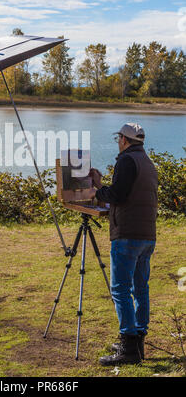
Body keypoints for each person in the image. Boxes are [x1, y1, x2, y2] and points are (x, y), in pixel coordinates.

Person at [88, 123, 158, 366]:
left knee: (120, 289)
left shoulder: (127, 161)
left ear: (125, 140)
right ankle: (137, 342)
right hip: (147, 234)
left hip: (128, 234)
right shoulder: (146, 162)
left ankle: (128, 347)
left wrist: (97, 190)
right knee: (140, 288)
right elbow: (129, 194)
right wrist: (101, 186)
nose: (118, 142)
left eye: (118, 138)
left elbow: (118, 195)